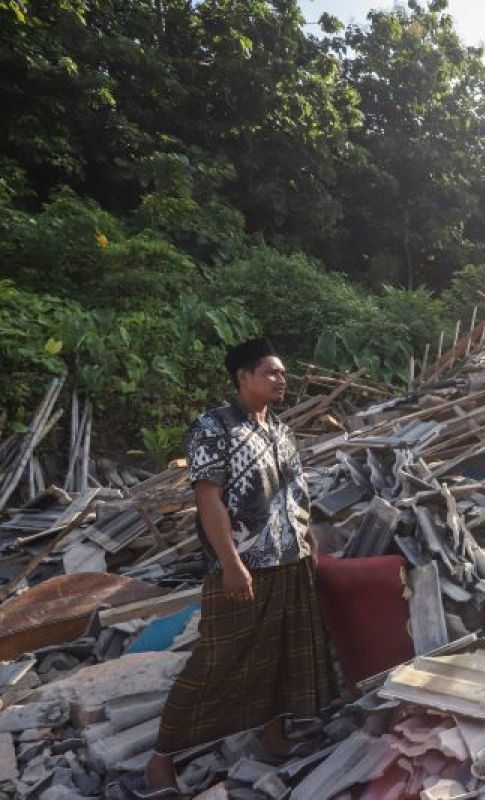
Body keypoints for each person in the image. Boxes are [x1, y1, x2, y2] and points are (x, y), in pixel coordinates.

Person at [142, 338, 336, 797]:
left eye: (283, 373)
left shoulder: (282, 432)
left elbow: (296, 499)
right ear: (242, 377)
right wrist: (231, 562)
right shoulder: (214, 427)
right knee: (217, 660)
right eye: (271, 372)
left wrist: (313, 548)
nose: (281, 379)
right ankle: (160, 761)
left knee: (283, 655)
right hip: (246, 565)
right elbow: (207, 500)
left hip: (290, 562)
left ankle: (272, 734)